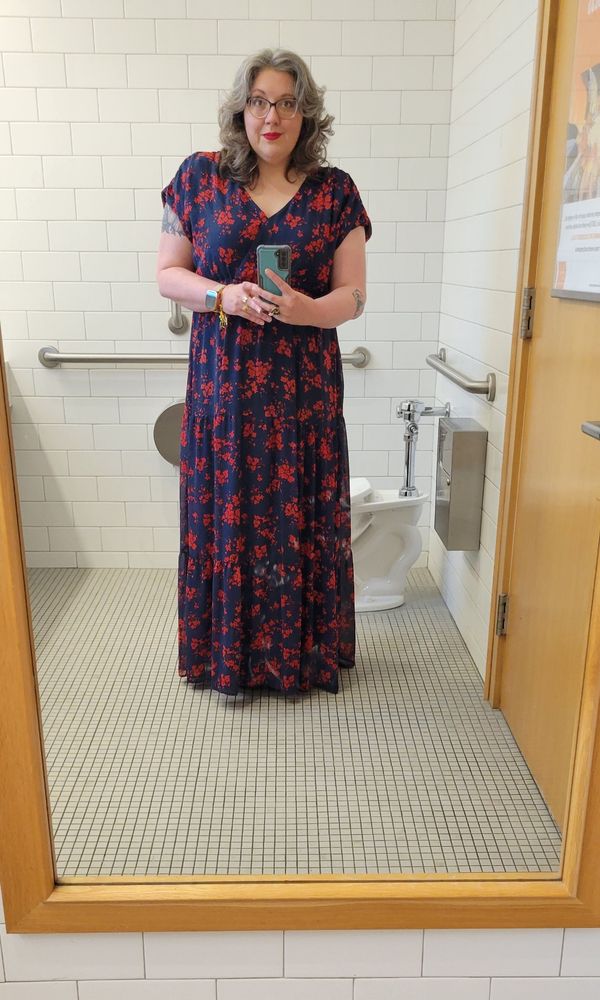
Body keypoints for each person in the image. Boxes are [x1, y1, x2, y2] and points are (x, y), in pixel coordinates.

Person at [157, 48, 371, 697]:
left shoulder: (335, 192)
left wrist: (307, 310)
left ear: (306, 114)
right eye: (258, 101)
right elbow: (168, 275)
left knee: (299, 515)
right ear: (240, 110)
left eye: (285, 102)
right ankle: (229, 660)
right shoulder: (199, 177)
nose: (270, 115)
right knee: (226, 516)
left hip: (303, 395)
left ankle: (299, 657)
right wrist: (223, 294)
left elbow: (355, 297)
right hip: (223, 393)